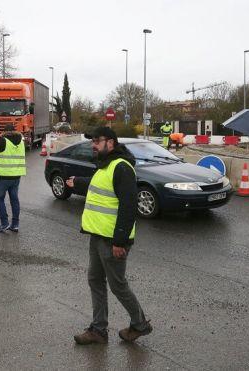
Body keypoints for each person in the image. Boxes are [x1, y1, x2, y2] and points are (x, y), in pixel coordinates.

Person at [66, 126, 152, 345]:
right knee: (95, 279)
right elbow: (98, 188)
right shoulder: (105, 166)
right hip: (97, 236)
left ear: (111, 143)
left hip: (113, 240)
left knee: (117, 285)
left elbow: (129, 206)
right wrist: (77, 182)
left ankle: (140, 324)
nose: (93, 145)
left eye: (97, 140)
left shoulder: (121, 167)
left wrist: (120, 241)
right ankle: (98, 329)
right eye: (92, 141)